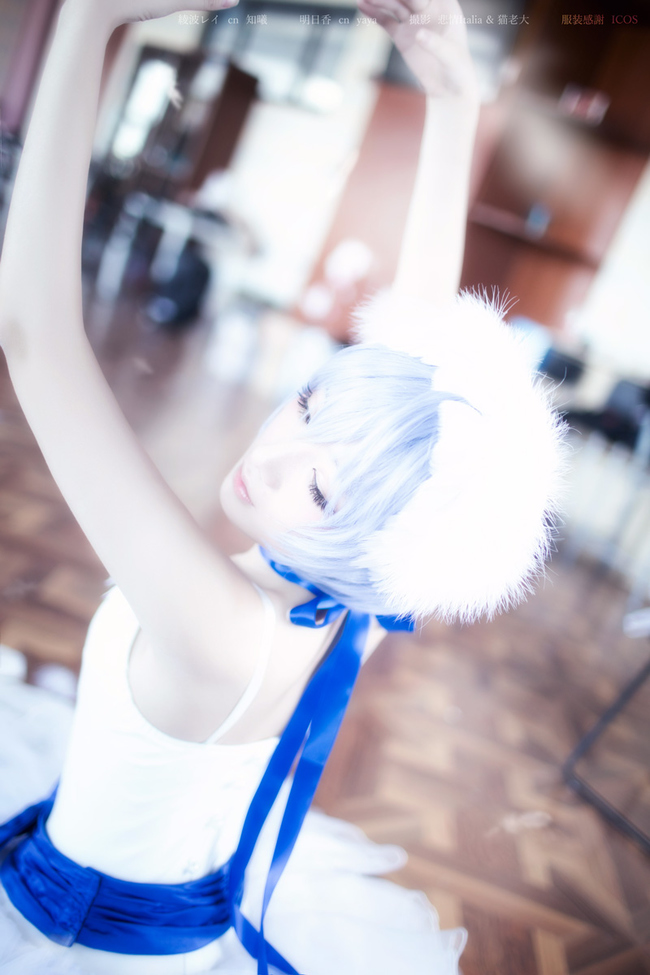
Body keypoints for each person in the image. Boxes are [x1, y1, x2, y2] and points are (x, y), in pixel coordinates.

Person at [0, 0, 565, 973]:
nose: (267, 460)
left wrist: (89, 23)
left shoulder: (220, 626)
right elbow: (416, 353)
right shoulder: (354, 599)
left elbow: (35, 339)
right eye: (307, 405)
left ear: (376, 532)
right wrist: (452, 99)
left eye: (322, 492)